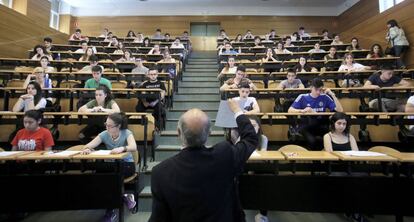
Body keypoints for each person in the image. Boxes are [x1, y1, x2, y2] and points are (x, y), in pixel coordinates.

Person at [149, 98, 259, 221]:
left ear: (178, 133)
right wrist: (238, 111)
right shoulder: (225, 155)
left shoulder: (160, 172)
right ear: (209, 133)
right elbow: (250, 139)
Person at [81, 112, 138, 219]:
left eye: (110, 126)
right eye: (106, 124)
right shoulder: (104, 134)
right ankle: (124, 197)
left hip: (127, 165)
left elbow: (133, 147)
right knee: (102, 176)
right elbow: (87, 145)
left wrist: (123, 148)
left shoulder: (126, 133)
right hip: (111, 165)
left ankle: (110, 212)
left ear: (118, 126)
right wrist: (88, 149)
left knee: (110, 179)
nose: (107, 127)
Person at [288, 78, 343, 150]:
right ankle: (315, 160)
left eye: (320, 90)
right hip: (306, 126)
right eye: (316, 89)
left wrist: (332, 95)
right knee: (312, 141)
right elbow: (290, 110)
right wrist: (302, 111)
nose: (318, 92)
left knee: (330, 139)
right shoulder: (302, 96)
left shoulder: (325, 97)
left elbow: (340, 110)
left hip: (321, 125)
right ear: (311, 88)